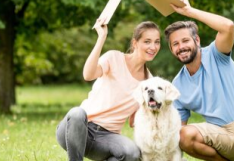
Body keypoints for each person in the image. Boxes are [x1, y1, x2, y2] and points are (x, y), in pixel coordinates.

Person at [164, 0, 234, 161]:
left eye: (185, 40)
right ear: (172, 49)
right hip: (221, 137)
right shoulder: (177, 85)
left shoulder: (217, 54)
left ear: (197, 40)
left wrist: (188, 11)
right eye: (175, 44)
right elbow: (178, 134)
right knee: (182, 135)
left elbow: (228, 26)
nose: (181, 47)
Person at [56, 18, 161, 161]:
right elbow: (88, 74)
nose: (153, 47)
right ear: (135, 43)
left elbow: (134, 121)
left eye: (157, 42)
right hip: (78, 128)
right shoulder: (114, 58)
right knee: (76, 113)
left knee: (132, 153)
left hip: (106, 139)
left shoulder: (149, 83)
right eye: (147, 41)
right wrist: (101, 38)